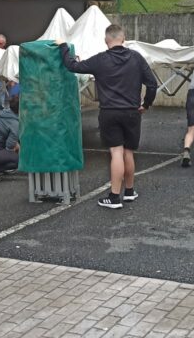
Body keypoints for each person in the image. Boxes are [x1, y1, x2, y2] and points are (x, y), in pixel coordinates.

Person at [58, 24, 157, 209]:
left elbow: (72, 66)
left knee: (116, 152)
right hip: (132, 112)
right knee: (128, 152)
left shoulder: (100, 60)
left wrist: (63, 46)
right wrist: (146, 104)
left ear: (106, 40)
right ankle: (129, 191)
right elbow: (152, 84)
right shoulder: (136, 57)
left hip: (109, 112)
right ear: (123, 38)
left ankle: (114, 197)